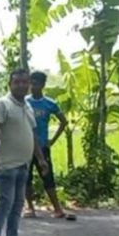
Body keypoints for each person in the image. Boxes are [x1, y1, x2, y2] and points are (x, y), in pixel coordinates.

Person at [0, 69, 49, 236]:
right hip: (5, 165)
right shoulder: (2, 105)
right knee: (4, 205)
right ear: (10, 85)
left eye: (24, 82)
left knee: (17, 206)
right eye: (17, 82)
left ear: (28, 84)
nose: (21, 85)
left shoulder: (27, 106)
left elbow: (34, 136)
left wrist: (41, 159)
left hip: (23, 165)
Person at [25, 71, 75, 220]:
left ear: (43, 85)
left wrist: (52, 140)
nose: (33, 86)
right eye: (32, 83)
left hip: (42, 146)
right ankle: (30, 207)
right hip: (26, 146)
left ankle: (57, 208)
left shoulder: (49, 103)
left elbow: (63, 121)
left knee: (47, 177)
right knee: (26, 178)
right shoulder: (25, 102)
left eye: (37, 83)